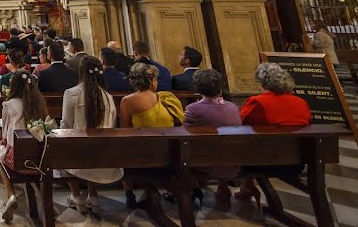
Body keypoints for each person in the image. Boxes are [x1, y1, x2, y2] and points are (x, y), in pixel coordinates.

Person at [236, 63, 311, 205]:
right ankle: (246, 187)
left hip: (262, 162)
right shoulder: (301, 102)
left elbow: (242, 127)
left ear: (261, 82)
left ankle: (244, 186)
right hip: (297, 162)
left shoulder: (257, 103)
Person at [61, 56, 122, 217]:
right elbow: (112, 125)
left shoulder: (72, 93)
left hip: (78, 155)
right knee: (93, 145)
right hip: (105, 154)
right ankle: (92, 195)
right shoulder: (108, 97)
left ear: (81, 72)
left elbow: (66, 125)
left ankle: (75, 195)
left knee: (64, 145)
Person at [118, 62, 184, 208]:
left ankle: (131, 193)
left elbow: (126, 130)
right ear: (152, 80)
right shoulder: (168, 98)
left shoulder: (127, 101)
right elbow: (180, 123)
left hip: (144, 155)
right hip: (170, 152)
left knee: (122, 150)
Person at [181, 68, 242, 206]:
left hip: (205, 164)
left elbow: (183, 132)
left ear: (198, 87)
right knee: (221, 145)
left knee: (184, 153)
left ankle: (191, 192)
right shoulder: (232, 107)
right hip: (234, 163)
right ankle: (223, 187)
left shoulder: (193, 109)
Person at [0, 70, 49, 221]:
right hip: (41, 158)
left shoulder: (9, 104)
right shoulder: (39, 102)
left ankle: (11, 194)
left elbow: (5, 133)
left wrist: (5, 141)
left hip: (19, 159)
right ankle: (43, 199)